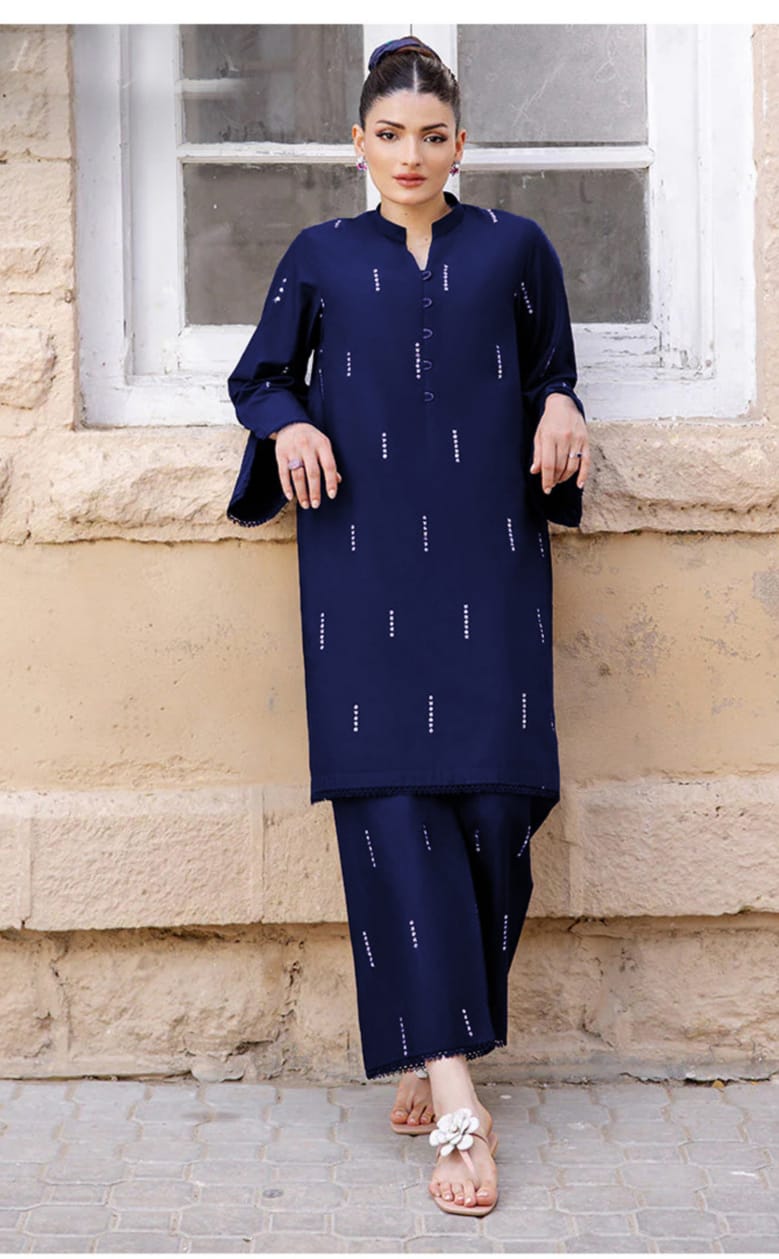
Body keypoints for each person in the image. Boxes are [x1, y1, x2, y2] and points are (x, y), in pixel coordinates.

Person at [226, 34, 590, 1218]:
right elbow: (259, 375)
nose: (410, 155)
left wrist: (561, 402)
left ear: (459, 143)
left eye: (431, 136)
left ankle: (437, 1033)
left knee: (497, 803)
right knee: (391, 812)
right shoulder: (321, 255)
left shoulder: (515, 248)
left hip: (488, 555)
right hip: (362, 557)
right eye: (389, 135)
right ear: (358, 143)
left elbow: (548, 365)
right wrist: (288, 424)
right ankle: (454, 1093)